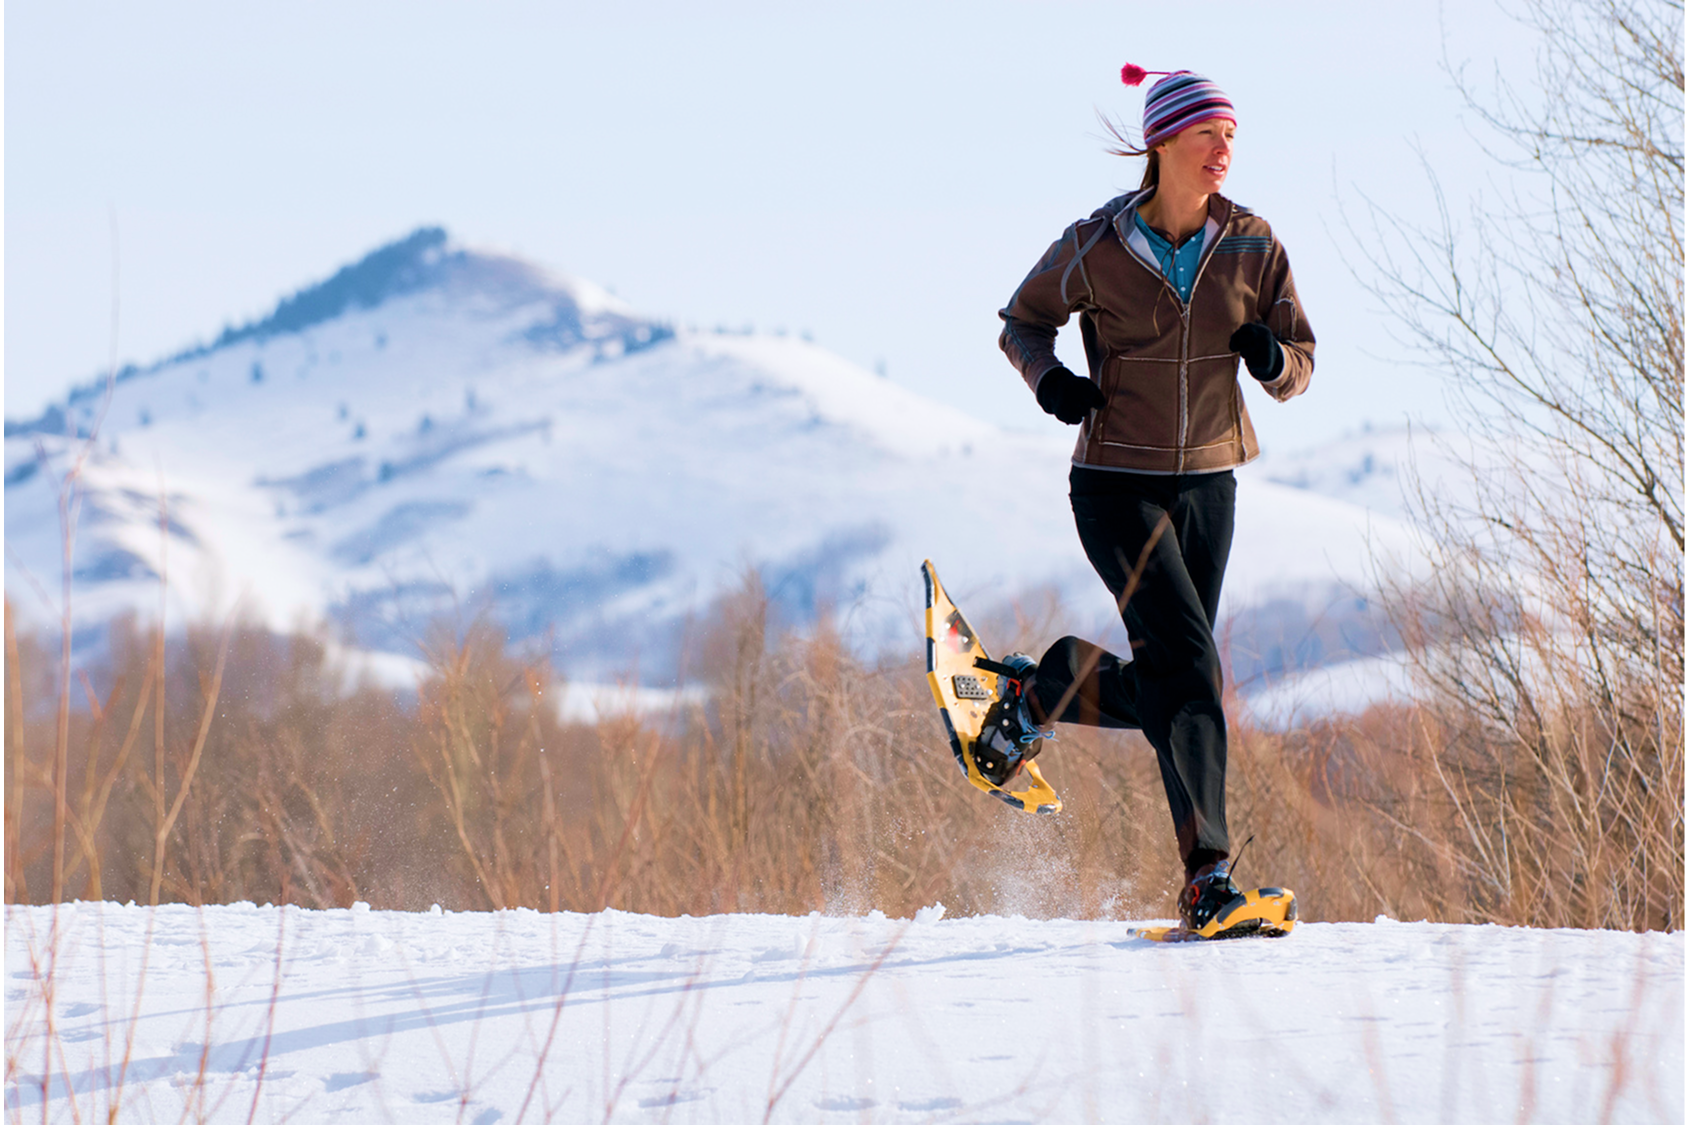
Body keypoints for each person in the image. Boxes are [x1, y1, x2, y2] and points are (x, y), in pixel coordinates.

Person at [983, 67, 1314, 933]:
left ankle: (1043, 691)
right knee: (1188, 669)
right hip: (1113, 485)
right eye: (1208, 134)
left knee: (1177, 677)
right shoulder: (1095, 244)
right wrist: (1049, 379)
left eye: (1231, 136)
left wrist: (1269, 358)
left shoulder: (1251, 244)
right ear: (1162, 143)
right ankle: (1207, 878)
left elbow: (1301, 363)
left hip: (1209, 483)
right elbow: (1020, 321)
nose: (1223, 151)